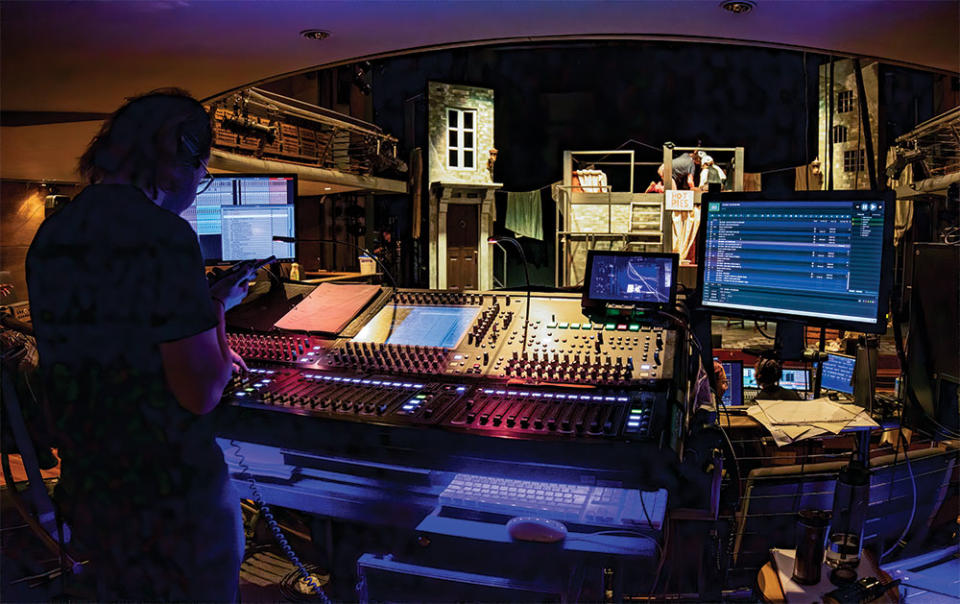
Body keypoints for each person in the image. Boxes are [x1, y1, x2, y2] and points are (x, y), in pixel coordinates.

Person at [26, 89, 252, 601]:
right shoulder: (163, 235)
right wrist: (215, 310)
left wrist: (202, 306)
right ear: (175, 152)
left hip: (93, 484)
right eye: (202, 168)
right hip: (172, 495)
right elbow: (201, 392)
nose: (198, 183)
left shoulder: (53, 234)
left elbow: (119, 334)